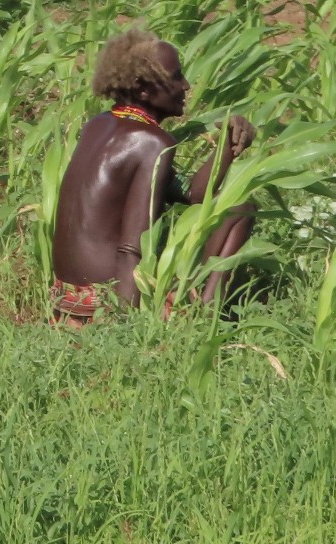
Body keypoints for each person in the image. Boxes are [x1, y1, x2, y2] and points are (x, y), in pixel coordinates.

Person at [48, 29, 255, 325]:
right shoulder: (151, 142)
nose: (185, 85)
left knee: (229, 207)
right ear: (143, 90)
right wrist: (127, 323)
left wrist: (227, 146)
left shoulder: (99, 124)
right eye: (175, 78)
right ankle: (203, 321)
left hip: (67, 294)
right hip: (107, 298)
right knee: (241, 209)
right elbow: (134, 244)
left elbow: (193, 194)